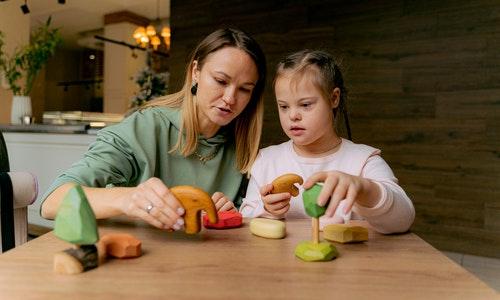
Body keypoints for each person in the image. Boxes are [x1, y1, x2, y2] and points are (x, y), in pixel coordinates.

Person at [41, 28, 267, 231]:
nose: (230, 98)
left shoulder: (244, 147)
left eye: (245, 89)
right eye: (220, 81)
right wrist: (129, 198)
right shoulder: (144, 128)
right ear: (195, 72)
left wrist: (229, 212)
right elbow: (53, 202)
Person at [239, 49, 414, 234]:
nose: (293, 116)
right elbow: (245, 219)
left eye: (305, 105)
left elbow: (403, 221)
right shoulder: (266, 160)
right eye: (283, 106)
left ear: (333, 98)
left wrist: (366, 190)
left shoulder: (363, 161)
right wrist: (266, 211)